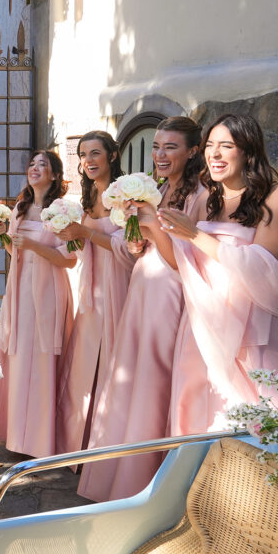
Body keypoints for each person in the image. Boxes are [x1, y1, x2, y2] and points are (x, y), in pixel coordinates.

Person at [78, 116, 207, 501]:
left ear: (192, 151)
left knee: (155, 379)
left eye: (170, 147)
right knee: (130, 376)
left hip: (169, 293)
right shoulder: (158, 191)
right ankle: (121, 475)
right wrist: (137, 241)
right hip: (142, 287)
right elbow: (145, 248)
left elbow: (183, 260)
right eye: (156, 146)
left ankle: (149, 479)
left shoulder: (199, 196)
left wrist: (150, 229)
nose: (160, 154)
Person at [161, 114, 278, 434]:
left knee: (260, 417)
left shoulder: (277, 196)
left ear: (247, 151)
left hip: (248, 329)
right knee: (195, 411)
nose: (214, 154)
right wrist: (148, 224)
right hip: (200, 324)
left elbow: (263, 269)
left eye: (225, 146)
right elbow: (183, 262)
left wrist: (194, 235)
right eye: (210, 146)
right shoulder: (205, 198)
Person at [0, 150, 75, 459]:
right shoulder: (20, 209)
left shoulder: (63, 210)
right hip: (20, 288)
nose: (35, 169)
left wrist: (36, 245)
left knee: (41, 357)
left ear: (54, 175)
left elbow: (71, 258)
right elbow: (17, 252)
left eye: (43, 165)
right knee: (19, 354)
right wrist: (3, 237)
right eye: (32, 164)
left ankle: (40, 440)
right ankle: (17, 435)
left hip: (49, 288)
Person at [55, 132, 134, 455]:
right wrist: (73, 238)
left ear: (113, 156)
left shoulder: (126, 196)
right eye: (83, 154)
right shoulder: (86, 199)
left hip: (120, 282)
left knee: (115, 357)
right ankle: (80, 441)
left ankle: (111, 442)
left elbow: (130, 249)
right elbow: (82, 248)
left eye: (95, 153)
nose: (88, 160)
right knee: (85, 361)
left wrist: (85, 232)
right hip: (92, 287)